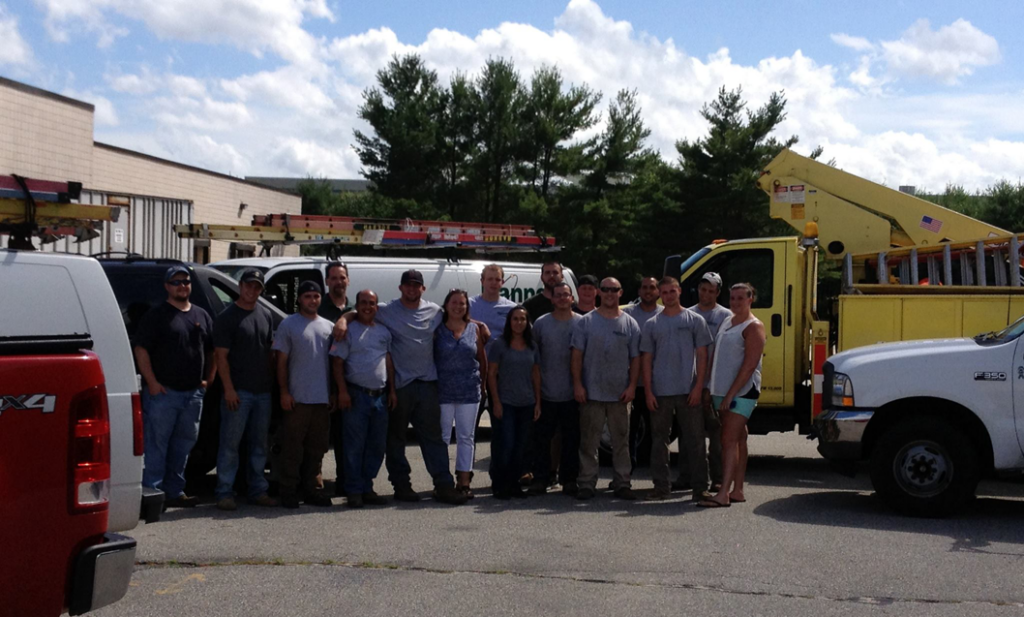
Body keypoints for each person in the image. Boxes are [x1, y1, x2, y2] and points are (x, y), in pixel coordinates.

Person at [333, 270, 474, 505]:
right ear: (400, 288)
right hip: (400, 386)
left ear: (423, 288)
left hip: (428, 384)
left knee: (434, 439)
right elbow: (361, 311)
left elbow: (457, 316)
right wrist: (343, 319)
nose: (412, 289)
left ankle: (444, 485)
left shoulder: (434, 311)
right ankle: (401, 486)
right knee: (395, 440)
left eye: (416, 285)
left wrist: (479, 326)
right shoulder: (387, 310)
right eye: (407, 285)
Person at [133, 265, 215, 509]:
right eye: (176, 282)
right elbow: (141, 349)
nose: (182, 286)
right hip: (163, 394)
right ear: (167, 286)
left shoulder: (201, 315)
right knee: (157, 447)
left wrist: (207, 381)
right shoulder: (157, 315)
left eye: (186, 282)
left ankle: (175, 491)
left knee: (183, 446)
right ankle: (152, 495)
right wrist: (153, 383)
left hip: (193, 395)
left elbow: (212, 351)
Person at [640, 277, 713, 501]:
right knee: (659, 442)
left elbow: (702, 355)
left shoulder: (695, 320)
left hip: (688, 390)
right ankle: (661, 487)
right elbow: (646, 360)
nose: (669, 295)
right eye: (665, 292)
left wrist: (699, 386)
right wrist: (649, 391)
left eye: (673, 291)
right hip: (660, 392)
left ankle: (700, 488)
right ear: (660, 294)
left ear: (680, 291)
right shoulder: (652, 324)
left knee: (695, 439)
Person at [212, 268, 278, 510]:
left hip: (263, 393)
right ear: (240, 286)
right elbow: (220, 357)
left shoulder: (265, 315)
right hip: (238, 393)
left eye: (257, 287)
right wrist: (228, 389)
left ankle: (258, 490)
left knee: (259, 446)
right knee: (230, 446)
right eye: (248, 285)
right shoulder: (227, 317)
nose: (252, 290)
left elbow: (269, 352)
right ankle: (224, 492)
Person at [571, 278, 641, 501]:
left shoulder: (630, 324)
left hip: (620, 394)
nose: (610, 293)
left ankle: (622, 482)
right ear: (599, 292)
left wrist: (632, 386)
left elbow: (636, 358)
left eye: (614, 290)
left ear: (621, 293)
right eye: (606, 289)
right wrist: (578, 384)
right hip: (591, 392)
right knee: (589, 441)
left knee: (621, 441)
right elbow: (576, 357)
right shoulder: (586, 322)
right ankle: (586, 483)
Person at [698, 283, 766, 508]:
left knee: (727, 440)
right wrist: (710, 387)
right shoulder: (728, 321)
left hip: (741, 393)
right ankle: (737, 489)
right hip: (721, 390)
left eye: (740, 298)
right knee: (739, 438)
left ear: (750, 299)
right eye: (733, 298)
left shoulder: (753, 327)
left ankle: (723, 493)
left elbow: (749, 366)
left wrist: (730, 394)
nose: (735, 302)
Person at [273, 280, 335, 509]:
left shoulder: (328, 327)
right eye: (307, 296)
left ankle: (313, 489)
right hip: (297, 399)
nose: (312, 300)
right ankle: (288, 490)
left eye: (316, 296)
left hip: (321, 399)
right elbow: (280, 362)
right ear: (300, 299)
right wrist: (284, 392)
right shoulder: (289, 325)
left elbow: (334, 364)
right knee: (292, 448)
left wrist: (333, 393)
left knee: (317, 449)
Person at [330, 290, 395, 508]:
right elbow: (337, 363)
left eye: (372, 303)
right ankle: (354, 490)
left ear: (377, 306)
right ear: (357, 306)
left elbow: (388, 362)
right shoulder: (347, 331)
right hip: (356, 395)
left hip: (380, 397)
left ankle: (367, 486)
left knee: (376, 446)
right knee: (354, 446)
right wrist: (342, 392)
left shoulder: (384, 332)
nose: (368, 307)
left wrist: (392, 390)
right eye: (364, 303)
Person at [680, 271, 732, 491]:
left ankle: (718, 478)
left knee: (717, 434)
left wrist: (711, 386)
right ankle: (687, 476)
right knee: (689, 434)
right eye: (703, 289)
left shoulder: (726, 317)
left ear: (718, 293)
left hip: (716, 384)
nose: (706, 294)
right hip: (689, 384)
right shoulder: (687, 315)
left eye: (711, 291)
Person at [529, 282, 582, 496]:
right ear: (551, 298)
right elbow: (533, 360)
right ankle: (540, 479)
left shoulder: (582, 323)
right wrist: (536, 393)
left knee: (571, 440)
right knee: (542, 441)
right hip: (547, 393)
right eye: (557, 295)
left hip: (573, 394)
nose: (561, 298)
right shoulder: (541, 324)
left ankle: (569, 480)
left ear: (572, 298)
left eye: (565, 295)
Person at [435, 289, 487, 499]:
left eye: (462, 303)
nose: (458, 306)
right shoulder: (437, 329)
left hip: (469, 390)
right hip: (442, 391)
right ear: (446, 305)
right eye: (454, 303)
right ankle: (442, 481)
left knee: (466, 437)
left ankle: (464, 480)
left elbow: (482, 360)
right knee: (443, 437)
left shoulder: (474, 329)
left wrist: (482, 386)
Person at [487, 306, 541, 499]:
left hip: (526, 403)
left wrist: (538, 402)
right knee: (506, 445)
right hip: (506, 403)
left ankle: (514, 484)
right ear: (509, 322)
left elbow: (535, 375)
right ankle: (501, 484)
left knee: (520, 447)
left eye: (523, 319)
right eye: (515, 319)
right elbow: (491, 374)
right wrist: (496, 401)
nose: (519, 323)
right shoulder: (500, 344)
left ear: (527, 323)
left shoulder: (532, 346)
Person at [318, 262, 353, 495]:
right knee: (319, 436)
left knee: (345, 437)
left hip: (351, 383)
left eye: (342, 278)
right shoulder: (318, 307)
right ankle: (315, 479)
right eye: (333, 278)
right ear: (327, 281)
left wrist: (347, 316)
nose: (338, 282)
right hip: (322, 380)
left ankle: (344, 481)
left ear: (348, 280)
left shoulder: (357, 307)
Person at [622, 276, 663, 468]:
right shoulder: (626, 314)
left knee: (658, 432)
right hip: (630, 384)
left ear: (658, 291)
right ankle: (625, 473)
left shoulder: (665, 314)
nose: (648, 291)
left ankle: (656, 474)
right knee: (627, 431)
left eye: (652, 287)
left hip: (658, 386)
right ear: (638, 291)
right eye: (644, 287)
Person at [469, 264, 516, 348]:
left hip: (502, 359)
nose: (494, 283)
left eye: (497, 279)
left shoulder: (512, 308)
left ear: (502, 282)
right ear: (482, 281)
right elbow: (454, 322)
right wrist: (480, 325)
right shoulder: (469, 304)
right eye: (490, 279)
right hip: (474, 358)